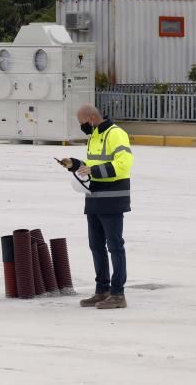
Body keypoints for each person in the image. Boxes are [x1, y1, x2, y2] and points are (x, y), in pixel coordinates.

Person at [57, 104, 133, 310]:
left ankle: (118, 294)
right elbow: (91, 165)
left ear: (91, 117)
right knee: (96, 246)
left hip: (112, 198)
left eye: (82, 123)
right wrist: (74, 164)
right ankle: (103, 290)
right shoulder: (94, 136)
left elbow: (123, 164)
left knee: (115, 247)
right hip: (94, 199)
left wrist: (93, 170)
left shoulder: (116, 134)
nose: (82, 126)